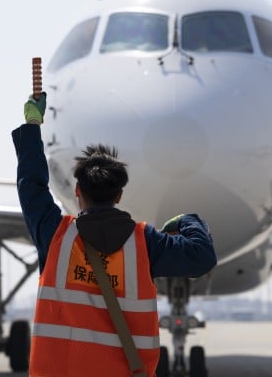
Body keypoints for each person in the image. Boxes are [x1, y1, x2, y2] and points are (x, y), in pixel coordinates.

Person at [12, 92, 216, 376]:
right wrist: (188, 220)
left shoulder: (56, 236)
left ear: (78, 192)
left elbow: (30, 185)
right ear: (119, 195)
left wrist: (33, 125)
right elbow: (202, 257)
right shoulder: (145, 243)